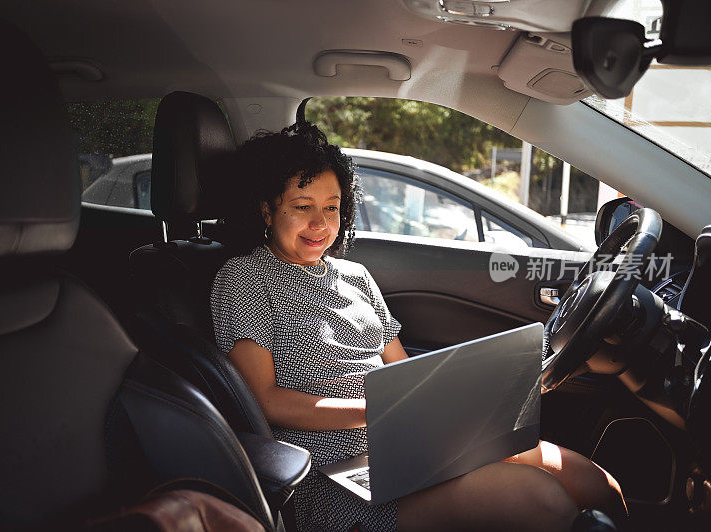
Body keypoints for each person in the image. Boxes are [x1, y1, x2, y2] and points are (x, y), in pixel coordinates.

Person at [210, 123, 626, 531]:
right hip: (332, 476)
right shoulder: (245, 277)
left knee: (595, 484)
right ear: (267, 208)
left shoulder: (355, 274)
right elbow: (264, 400)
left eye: (332, 207)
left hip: (409, 447)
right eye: (302, 207)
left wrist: (454, 402)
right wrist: (379, 412)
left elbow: (402, 370)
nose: (320, 223)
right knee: (541, 499)